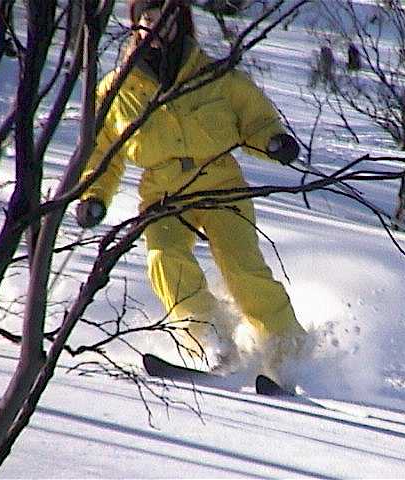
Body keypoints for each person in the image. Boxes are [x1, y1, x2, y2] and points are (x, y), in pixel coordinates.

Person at [76, 0, 306, 382]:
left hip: (220, 183)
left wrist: (274, 141)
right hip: (163, 192)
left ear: (179, 21)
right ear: (134, 26)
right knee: (163, 260)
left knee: (243, 269)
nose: (155, 26)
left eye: (163, 18)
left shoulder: (215, 76)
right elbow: (102, 152)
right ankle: (212, 338)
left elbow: (255, 120)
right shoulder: (116, 89)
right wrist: (94, 197)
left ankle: (290, 353)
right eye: (147, 19)